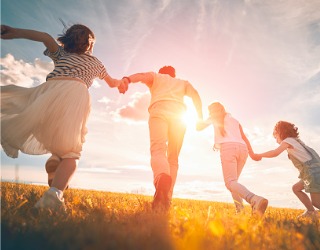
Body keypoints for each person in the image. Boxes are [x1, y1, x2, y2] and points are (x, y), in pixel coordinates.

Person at [1, 24, 127, 211]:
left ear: (67, 39)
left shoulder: (61, 54)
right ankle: (53, 196)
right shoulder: (97, 63)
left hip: (49, 93)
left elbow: (44, 36)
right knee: (71, 153)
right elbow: (112, 82)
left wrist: (15, 32)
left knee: (51, 134)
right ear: (90, 45)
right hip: (75, 94)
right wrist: (121, 84)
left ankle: (55, 159)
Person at [122, 66, 203, 210]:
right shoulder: (182, 83)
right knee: (173, 158)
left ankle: (161, 177)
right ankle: (167, 198)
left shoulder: (156, 77)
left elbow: (141, 75)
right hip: (179, 116)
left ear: (161, 73)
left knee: (158, 150)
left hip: (159, 111)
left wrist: (127, 79)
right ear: (174, 75)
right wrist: (200, 117)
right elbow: (195, 95)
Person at [251, 121, 320, 220]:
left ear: (281, 132)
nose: (276, 140)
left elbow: (275, 152)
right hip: (314, 173)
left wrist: (259, 155)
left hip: (313, 173)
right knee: (296, 188)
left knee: (317, 202)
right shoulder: (297, 141)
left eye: (275, 136)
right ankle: (311, 212)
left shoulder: (288, 141)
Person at [196, 102, 268, 215]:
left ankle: (254, 199)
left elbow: (198, 127)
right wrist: (252, 154)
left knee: (230, 183)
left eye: (210, 111)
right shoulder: (235, 120)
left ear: (213, 111)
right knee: (234, 184)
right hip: (243, 149)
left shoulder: (213, 117)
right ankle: (240, 211)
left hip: (228, 149)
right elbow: (244, 138)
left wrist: (200, 114)